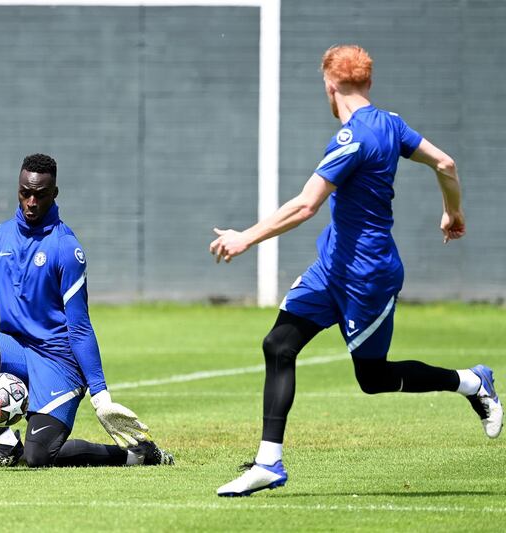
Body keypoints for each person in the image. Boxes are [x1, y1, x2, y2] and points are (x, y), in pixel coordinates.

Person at [209, 45, 502, 497]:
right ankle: (268, 462)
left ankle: (470, 381)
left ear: (331, 87)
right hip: (332, 266)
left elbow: (307, 204)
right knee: (278, 344)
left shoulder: (354, 140)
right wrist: (452, 212)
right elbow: (445, 163)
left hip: (368, 274)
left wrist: (245, 237)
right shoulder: (391, 123)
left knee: (374, 379)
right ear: (367, 83)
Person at [0, 153, 173, 469]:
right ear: (18, 189)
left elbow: (79, 328)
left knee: (38, 458)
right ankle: (5, 444)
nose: (32, 202)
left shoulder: (66, 248)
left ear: (55, 194)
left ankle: (138, 453)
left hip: (58, 363)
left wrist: (101, 398)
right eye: (25, 192)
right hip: (16, 355)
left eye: (40, 194)